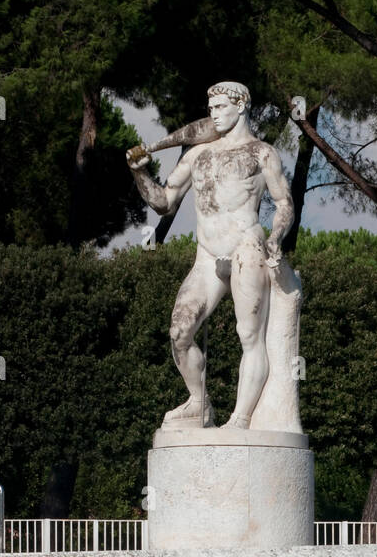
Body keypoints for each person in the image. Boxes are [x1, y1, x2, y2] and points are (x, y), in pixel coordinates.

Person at [126, 80, 294, 430]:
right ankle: (198, 402)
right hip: (206, 256)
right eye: (211, 108)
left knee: (249, 335)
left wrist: (277, 234)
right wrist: (139, 172)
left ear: (242, 106)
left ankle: (241, 418)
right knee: (179, 331)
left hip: (246, 247)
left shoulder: (260, 153)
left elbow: (284, 203)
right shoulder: (197, 155)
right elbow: (164, 202)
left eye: (220, 107)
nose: (213, 114)